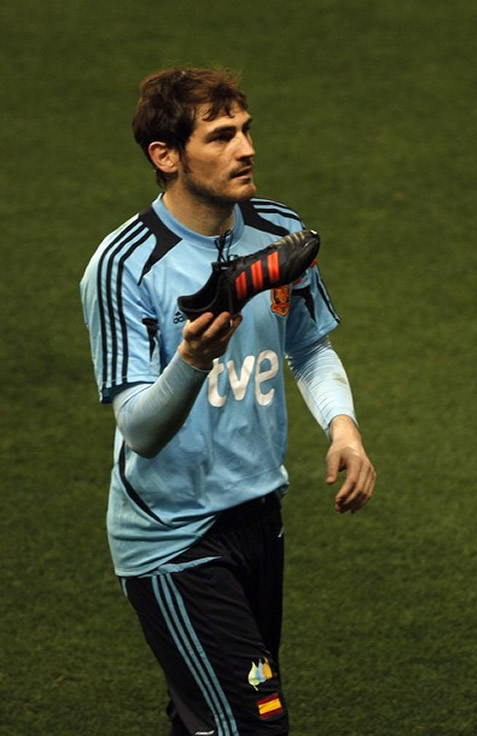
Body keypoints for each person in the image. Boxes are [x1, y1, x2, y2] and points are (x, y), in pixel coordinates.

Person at [80, 66, 376, 736]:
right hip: (172, 538)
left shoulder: (279, 233)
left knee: (210, 723)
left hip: (257, 514)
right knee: (257, 724)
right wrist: (191, 360)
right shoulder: (123, 266)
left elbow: (310, 347)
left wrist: (343, 427)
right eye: (220, 136)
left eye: (245, 130)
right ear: (166, 155)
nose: (245, 148)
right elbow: (140, 429)